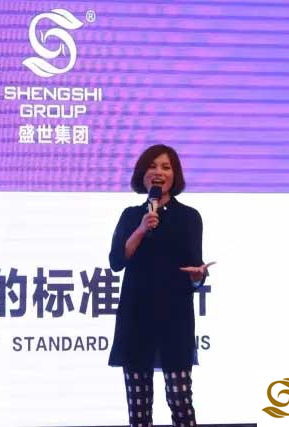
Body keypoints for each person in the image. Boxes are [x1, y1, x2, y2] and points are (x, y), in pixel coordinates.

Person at [108, 144, 213, 427]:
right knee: (138, 408)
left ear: (174, 175)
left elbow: (195, 268)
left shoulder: (189, 217)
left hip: (175, 318)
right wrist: (142, 229)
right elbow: (117, 261)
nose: (159, 172)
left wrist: (197, 276)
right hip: (136, 317)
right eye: (152, 166)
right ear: (142, 175)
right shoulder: (131, 216)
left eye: (166, 167)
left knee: (181, 402)